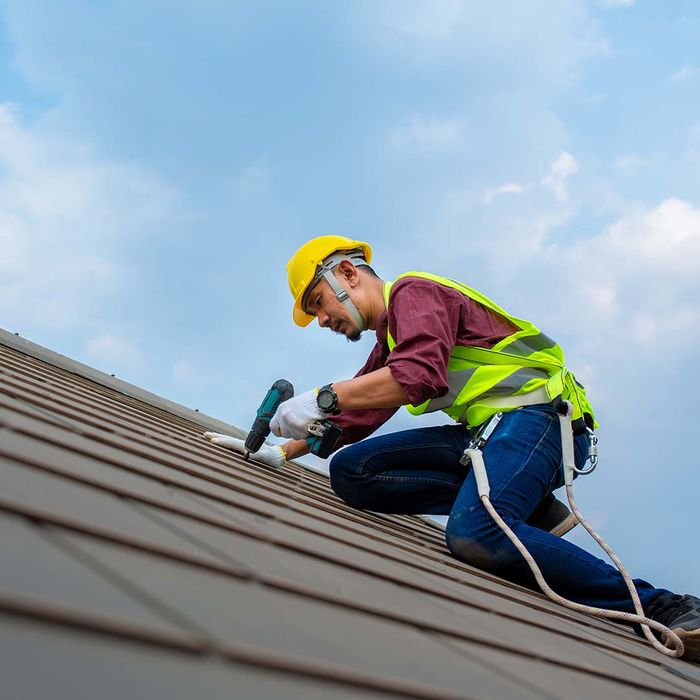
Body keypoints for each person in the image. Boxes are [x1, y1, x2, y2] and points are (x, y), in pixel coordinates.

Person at [207, 235, 700, 659]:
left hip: (539, 421)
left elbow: (416, 376)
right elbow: (359, 412)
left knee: (476, 534)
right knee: (352, 471)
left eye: (318, 303)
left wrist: (322, 396)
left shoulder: (415, 294)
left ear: (345, 275)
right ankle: (531, 508)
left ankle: (663, 606)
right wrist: (283, 452)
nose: (321, 320)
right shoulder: (391, 337)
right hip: (492, 434)